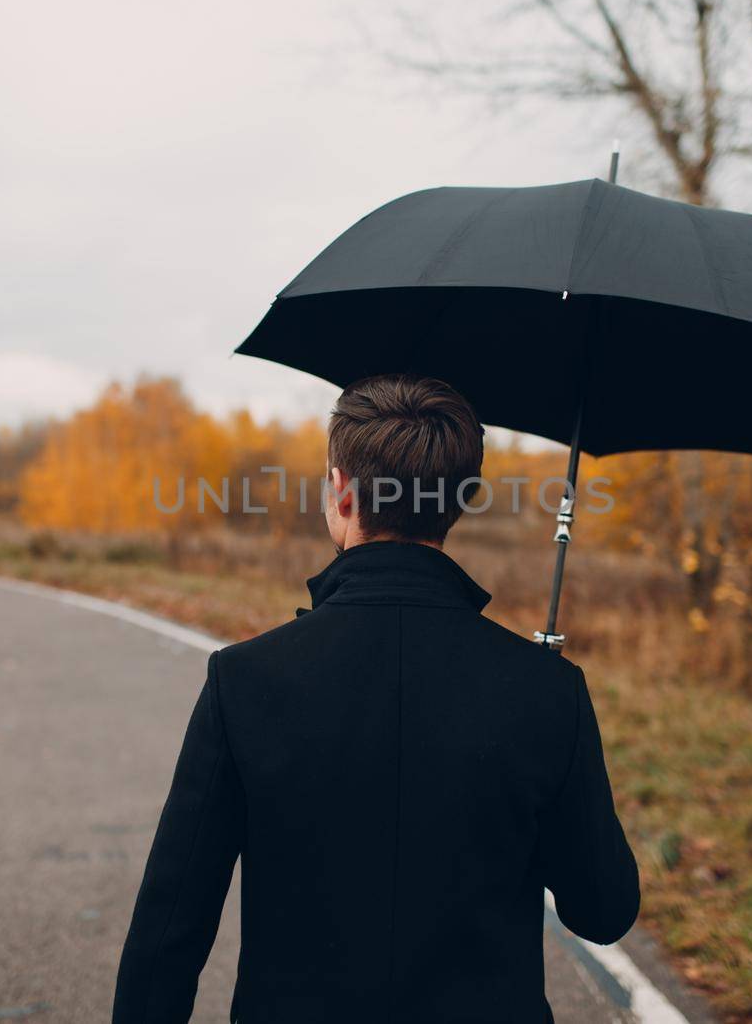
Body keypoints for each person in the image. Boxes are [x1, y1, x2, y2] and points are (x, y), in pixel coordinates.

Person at [110, 373, 639, 1024]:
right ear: (462, 498)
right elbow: (603, 910)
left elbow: (168, 934)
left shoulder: (244, 681)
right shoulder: (547, 690)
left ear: (340, 489)